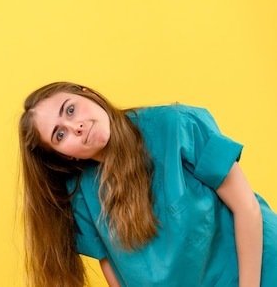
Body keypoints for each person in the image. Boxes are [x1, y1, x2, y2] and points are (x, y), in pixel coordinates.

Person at [18, 82, 276, 287]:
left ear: (89, 94)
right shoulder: (81, 195)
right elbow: (112, 268)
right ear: (64, 156)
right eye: (59, 134)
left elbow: (246, 208)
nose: (77, 126)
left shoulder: (178, 125)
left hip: (255, 272)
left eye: (71, 109)